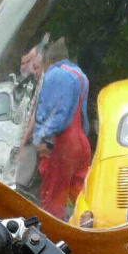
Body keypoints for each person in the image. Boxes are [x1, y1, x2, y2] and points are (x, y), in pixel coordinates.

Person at [31, 37, 91, 219]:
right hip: (81, 143)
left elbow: (54, 113)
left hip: (62, 144)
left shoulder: (56, 74)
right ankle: (91, 226)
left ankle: (52, 234)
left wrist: (42, 138)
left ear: (48, 61)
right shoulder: (80, 74)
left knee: (53, 200)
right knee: (80, 195)